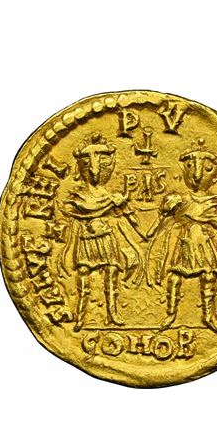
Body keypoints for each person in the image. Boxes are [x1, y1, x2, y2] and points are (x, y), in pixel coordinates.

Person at [147, 138, 217, 332]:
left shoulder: (210, 203)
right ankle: (171, 314)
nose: (198, 175)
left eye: (206, 169)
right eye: (190, 168)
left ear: (215, 177)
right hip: (185, 243)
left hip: (204, 244)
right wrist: (162, 215)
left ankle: (209, 316)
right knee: (175, 277)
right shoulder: (180, 200)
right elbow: (160, 222)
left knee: (208, 277)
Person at [58, 134, 143, 331]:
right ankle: (80, 316)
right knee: (83, 274)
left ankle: (112, 313)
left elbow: (127, 217)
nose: (94, 169)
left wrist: (125, 200)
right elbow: (74, 210)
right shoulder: (78, 197)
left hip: (106, 237)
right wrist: (112, 203)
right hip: (86, 239)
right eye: (88, 162)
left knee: (112, 272)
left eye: (101, 161)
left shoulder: (112, 197)